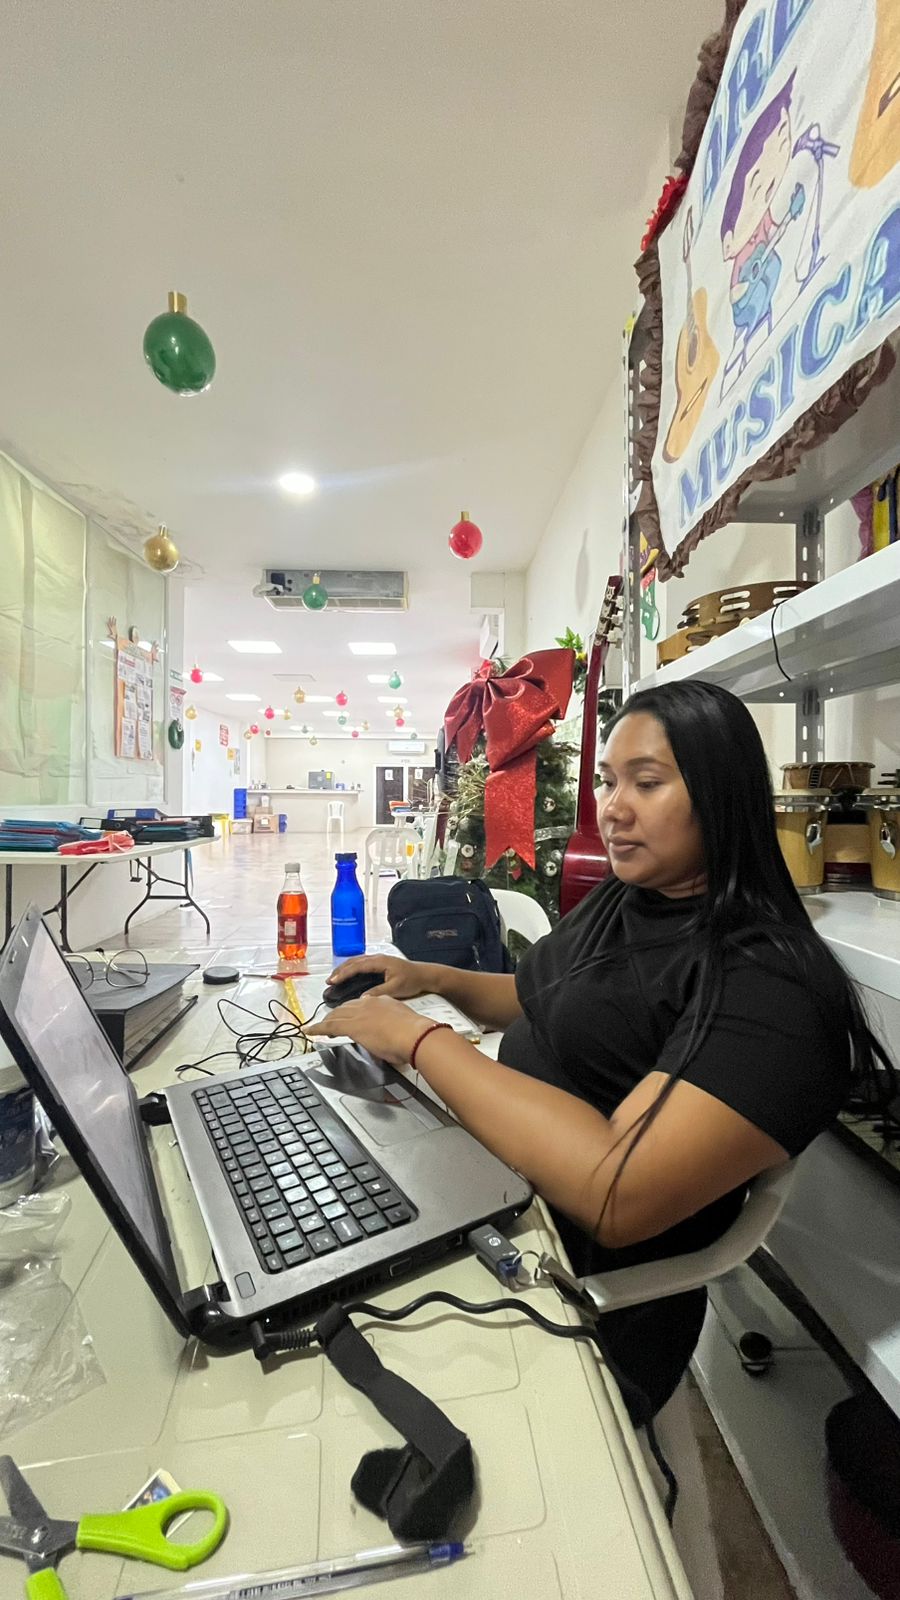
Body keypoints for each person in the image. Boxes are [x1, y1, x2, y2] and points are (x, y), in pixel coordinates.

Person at [306, 681, 890, 1416]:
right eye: (608, 782)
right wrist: (432, 978)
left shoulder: (768, 985)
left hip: (570, 1294)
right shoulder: (633, 894)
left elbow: (617, 1193)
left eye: (646, 783)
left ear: (721, 794)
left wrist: (420, 1041)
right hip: (488, 1201)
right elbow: (546, 998)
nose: (612, 809)